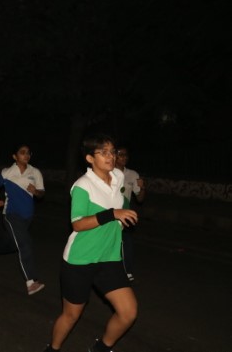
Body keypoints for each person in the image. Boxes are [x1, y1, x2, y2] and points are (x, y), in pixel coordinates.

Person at [43, 134, 138, 352]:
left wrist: (123, 216)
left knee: (128, 313)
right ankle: (53, 349)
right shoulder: (82, 186)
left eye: (112, 152)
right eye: (103, 152)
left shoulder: (118, 177)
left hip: (109, 258)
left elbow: (119, 201)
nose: (110, 156)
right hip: (80, 261)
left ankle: (101, 348)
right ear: (89, 158)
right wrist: (112, 214)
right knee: (71, 315)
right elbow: (77, 224)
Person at [0, 143, 46, 295]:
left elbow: (41, 193)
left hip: (27, 217)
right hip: (11, 214)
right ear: (15, 156)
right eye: (22, 152)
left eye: (28, 153)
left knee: (15, 244)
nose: (26, 155)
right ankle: (31, 282)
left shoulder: (35, 172)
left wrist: (36, 191)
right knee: (25, 243)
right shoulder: (7, 172)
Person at [114, 145, 146, 282]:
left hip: (124, 214)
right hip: (110, 213)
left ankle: (127, 271)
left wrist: (142, 187)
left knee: (126, 242)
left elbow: (140, 199)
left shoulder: (133, 174)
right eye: (120, 154)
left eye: (126, 155)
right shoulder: (107, 172)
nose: (124, 157)